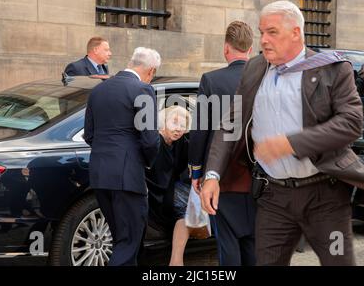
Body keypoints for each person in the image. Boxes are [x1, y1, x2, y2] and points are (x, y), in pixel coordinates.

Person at [200, 0, 364, 266]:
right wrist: (213, 174)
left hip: (326, 196)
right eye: (261, 31)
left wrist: (291, 143)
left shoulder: (332, 68)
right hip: (274, 196)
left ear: (296, 32)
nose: (263, 40)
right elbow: (231, 123)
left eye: (271, 32)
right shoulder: (254, 69)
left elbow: (351, 122)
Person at [83, 47, 161, 266]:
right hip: (127, 177)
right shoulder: (143, 89)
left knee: (122, 241)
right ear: (151, 70)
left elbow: (90, 134)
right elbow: (149, 140)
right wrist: (146, 164)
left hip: (99, 174)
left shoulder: (99, 90)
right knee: (128, 242)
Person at [188, 21, 256, 266]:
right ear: (250, 49)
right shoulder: (265, 79)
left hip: (221, 177)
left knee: (228, 245)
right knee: (253, 243)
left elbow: (199, 130)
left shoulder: (211, 80)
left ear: (226, 48)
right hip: (258, 177)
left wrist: (197, 170)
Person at [146, 105, 192, 266]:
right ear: (163, 122)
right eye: (174, 123)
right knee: (188, 206)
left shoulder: (180, 143)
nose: (178, 129)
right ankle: (176, 261)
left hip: (168, 188)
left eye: (182, 125)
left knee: (190, 203)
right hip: (153, 191)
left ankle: (176, 260)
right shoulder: (154, 142)